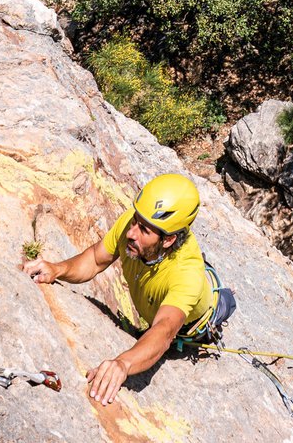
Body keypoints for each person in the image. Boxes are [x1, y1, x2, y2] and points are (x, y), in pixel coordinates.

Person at [23, 172, 223, 405]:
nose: (131, 232)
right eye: (136, 221)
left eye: (144, 230)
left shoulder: (186, 274)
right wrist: (58, 269)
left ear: (168, 240)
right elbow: (96, 260)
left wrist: (123, 364)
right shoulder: (135, 224)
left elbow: (165, 329)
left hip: (191, 327)